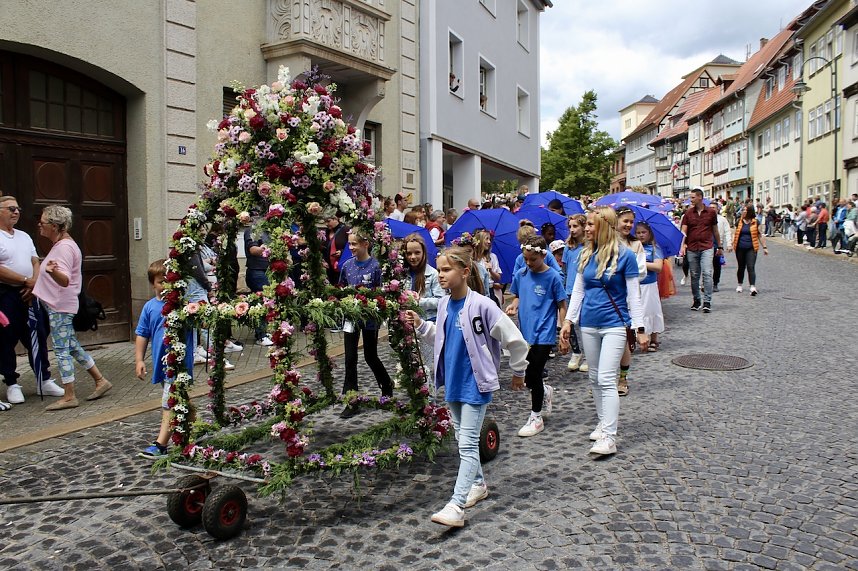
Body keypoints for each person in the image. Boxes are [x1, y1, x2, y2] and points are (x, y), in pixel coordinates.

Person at [408, 246, 529, 528]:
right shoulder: (443, 304)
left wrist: (519, 370)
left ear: (464, 272)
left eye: (446, 270)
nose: (440, 275)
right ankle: (478, 484)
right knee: (463, 437)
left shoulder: (483, 305)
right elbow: (442, 337)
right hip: (452, 381)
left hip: (475, 383)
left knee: (467, 443)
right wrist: (421, 325)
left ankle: (457, 504)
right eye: (439, 270)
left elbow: (514, 339)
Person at [560, 207, 648, 456]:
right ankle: (602, 422)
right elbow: (579, 290)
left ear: (604, 226)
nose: (586, 228)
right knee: (594, 377)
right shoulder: (586, 254)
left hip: (614, 324)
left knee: (607, 379)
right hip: (588, 323)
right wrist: (568, 321)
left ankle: (609, 437)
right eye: (586, 224)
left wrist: (639, 328)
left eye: (590, 224)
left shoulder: (625, 256)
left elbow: (634, 296)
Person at [33, 205, 112, 410]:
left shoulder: (64, 248)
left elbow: (65, 279)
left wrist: (52, 272)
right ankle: (100, 380)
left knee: (61, 351)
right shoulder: (63, 245)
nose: (39, 225)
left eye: (43, 222)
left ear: (54, 226)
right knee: (72, 346)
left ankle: (69, 396)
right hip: (60, 305)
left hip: (60, 306)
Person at [0, 195, 59, 405]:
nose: (16, 212)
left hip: (30, 293)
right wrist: (26, 281)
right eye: (11, 209)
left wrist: (34, 284)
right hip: (6, 294)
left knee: (38, 333)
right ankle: (12, 383)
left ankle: (44, 379)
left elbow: (35, 261)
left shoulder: (24, 236)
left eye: (18, 209)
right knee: (5, 338)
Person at [506, 236, 567, 437]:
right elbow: (517, 295)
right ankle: (545, 391)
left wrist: (563, 331)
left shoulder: (553, 277)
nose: (529, 263)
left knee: (534, 373)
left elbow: (561, 304)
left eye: (533, 259)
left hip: (544, 333)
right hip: (525, 333)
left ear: (543, 255)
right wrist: (514, 305)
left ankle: (536, 417)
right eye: (525, 259)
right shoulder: (521, 274)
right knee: (530, 377)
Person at [135, 259, 195, 458]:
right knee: (180, 400)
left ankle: (160, 445)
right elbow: (142, 334)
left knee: (170, 401)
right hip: (161, 363)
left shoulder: (182, 306)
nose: (166, 286)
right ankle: (188, 433)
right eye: (161, 282)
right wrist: (139, 360)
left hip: (179, 365)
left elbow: (199, 322)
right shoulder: (149, 307)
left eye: (170, 281)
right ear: (153, 283)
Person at [338, 228, 393, 417]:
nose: (351, 247)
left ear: (365, 244)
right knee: (350, 358)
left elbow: (381, 292)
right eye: (349, 244)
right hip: (351, 318)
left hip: (370, 318)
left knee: (370, 355)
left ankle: (386, 383)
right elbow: (341, 288)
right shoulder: (347, 266)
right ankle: (351, 400)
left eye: (354, 244)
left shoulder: (376, 266)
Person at [614, 206, 647, 396]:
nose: (628, 225)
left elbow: (641, 271)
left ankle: (622, 378)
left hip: (627, 296)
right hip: (608, 297)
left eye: (631, 222)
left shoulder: (636, 245)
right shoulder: (606, 242)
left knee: (625, 339)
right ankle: (605, 378)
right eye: (625, 221)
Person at [679, 188, 722, 313]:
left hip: (707, 247)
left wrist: (719, 246)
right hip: (692, 247)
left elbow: (715, 230)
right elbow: (683, 231)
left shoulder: (711, 213)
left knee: (707, 273)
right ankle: (697, 300)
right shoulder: (688, 214)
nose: (690, 200)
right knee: (694, 275)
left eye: (693, 197)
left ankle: (707, 301)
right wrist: (682, 245)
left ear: (700, 197)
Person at [562, 214, 587, 373]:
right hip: (569, 289)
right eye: (570, 226)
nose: (572, 229)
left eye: (575, 226)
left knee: (584, 324)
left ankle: (589, 354)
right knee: (569, 322)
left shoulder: (587, 248)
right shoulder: (568, 248)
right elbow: (565, 271)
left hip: (584, 291)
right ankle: (576, 352)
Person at [635, 222, 665, 352]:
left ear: (649, 233)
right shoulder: (633, 247)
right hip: (635, 284)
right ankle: (640, 336)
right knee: (638, 312)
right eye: (638, 233)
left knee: (651, 311)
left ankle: (654, 338)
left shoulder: (654, 248)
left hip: (649, 285)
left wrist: (642, 263)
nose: (641, 235)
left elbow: (658, 267)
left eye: (643, 232)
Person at [244, 220, 274, 346]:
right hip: (257, 272)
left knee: (266, 303)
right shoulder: (253, 230)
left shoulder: (268, 231)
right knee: (260, 303)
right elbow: (252, 249)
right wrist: (265, 249)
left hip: (266, 271)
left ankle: (263, 332)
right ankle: (260, 335)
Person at [733, 205, 767, 296]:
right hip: (740, 248)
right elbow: (735, 233)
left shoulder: (756, 222)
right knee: (741, 267)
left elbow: (760, 235)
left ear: (750, 212)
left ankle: (752, 286)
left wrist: (764, 247)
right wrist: (732, 244)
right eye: (743, 210)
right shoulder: (739, 221)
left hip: (751, 248)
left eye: (745, 210)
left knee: (751, 267)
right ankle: (739, 284)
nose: (743, 211)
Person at [474, 230, 502, 306]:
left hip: (490, 290)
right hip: (477, 291)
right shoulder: (473, 258)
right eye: (486, 239)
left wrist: (491, 271)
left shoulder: (493, 257)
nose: (489, 242)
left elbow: (498, 278)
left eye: (490, 239)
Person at [713, 204, 734, 293]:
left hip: (718, 245)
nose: (712, 209)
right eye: (710, 208)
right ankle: (705, 283)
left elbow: (727, 232)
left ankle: (715, 283)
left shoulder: (722, 220)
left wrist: (729, 244)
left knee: (717, 265)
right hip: (707, 245)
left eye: (714, 208)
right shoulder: (705, 218)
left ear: (718, 209)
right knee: (705, 265)